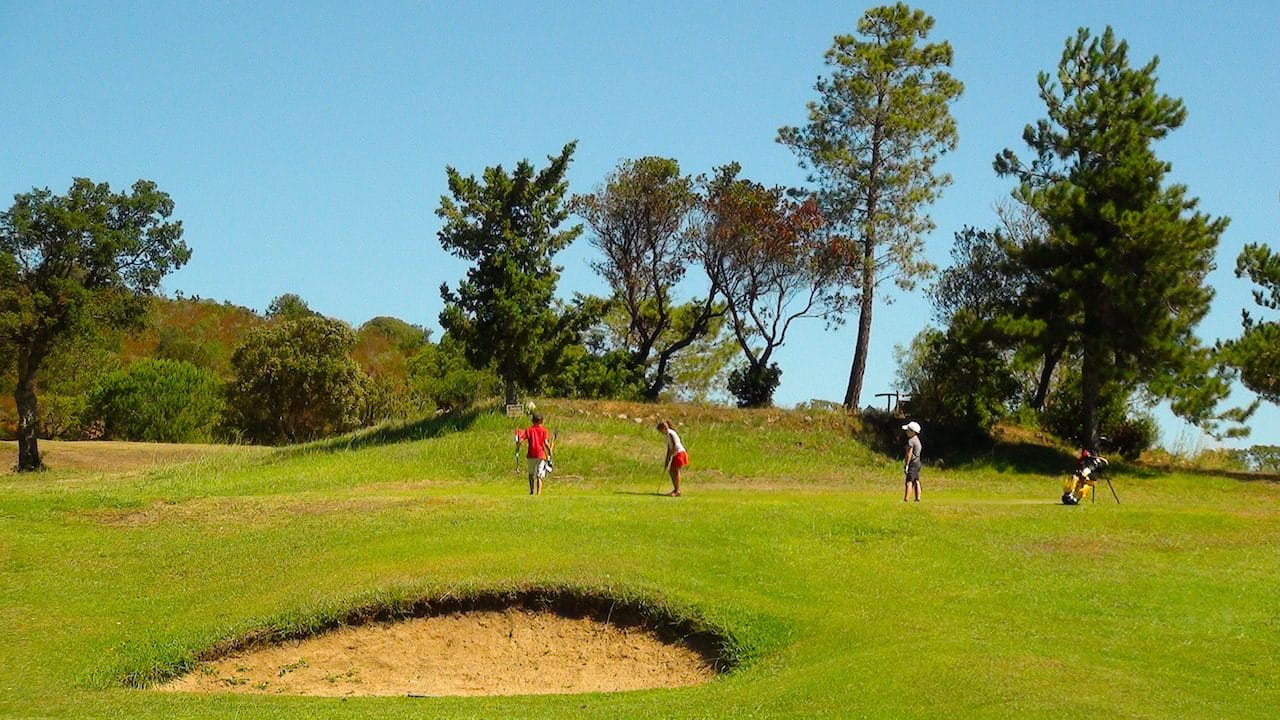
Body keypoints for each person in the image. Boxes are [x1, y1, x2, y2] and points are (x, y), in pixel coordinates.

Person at [516, 413, 554, 495]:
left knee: (531, 474)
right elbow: (546, 443)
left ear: (532, 420)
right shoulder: (544, 430)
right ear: (541, 421)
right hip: (541, 454)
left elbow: (521, 439)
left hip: (531, 454)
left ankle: (532, 491)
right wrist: (550, 451)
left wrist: (518, 445)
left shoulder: (529, 430)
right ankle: (538, 493)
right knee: (539, 474)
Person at [656, 419, 688, 496]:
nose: (661, 433)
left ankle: (677, 491)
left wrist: (670, 456)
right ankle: (676, 489)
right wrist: (667, 458)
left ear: (663, 428)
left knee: (676, 471)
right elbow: (669, 447)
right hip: (676, 453)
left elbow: (674, 446)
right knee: (671, 471)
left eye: (661, 431)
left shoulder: (670, 433)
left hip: (679, 453)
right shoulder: (667, 434)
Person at [902, 420, 922, 502]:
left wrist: (907, 464)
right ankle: (918, 498)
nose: (906, 432)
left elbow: (909, 453)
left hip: (913, 463)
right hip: (918, 462)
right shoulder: (917, 440)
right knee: (916, 480)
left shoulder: (911, 441)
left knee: (909, 481)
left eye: (908, 430)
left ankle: (906, 499)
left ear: (913, 432)